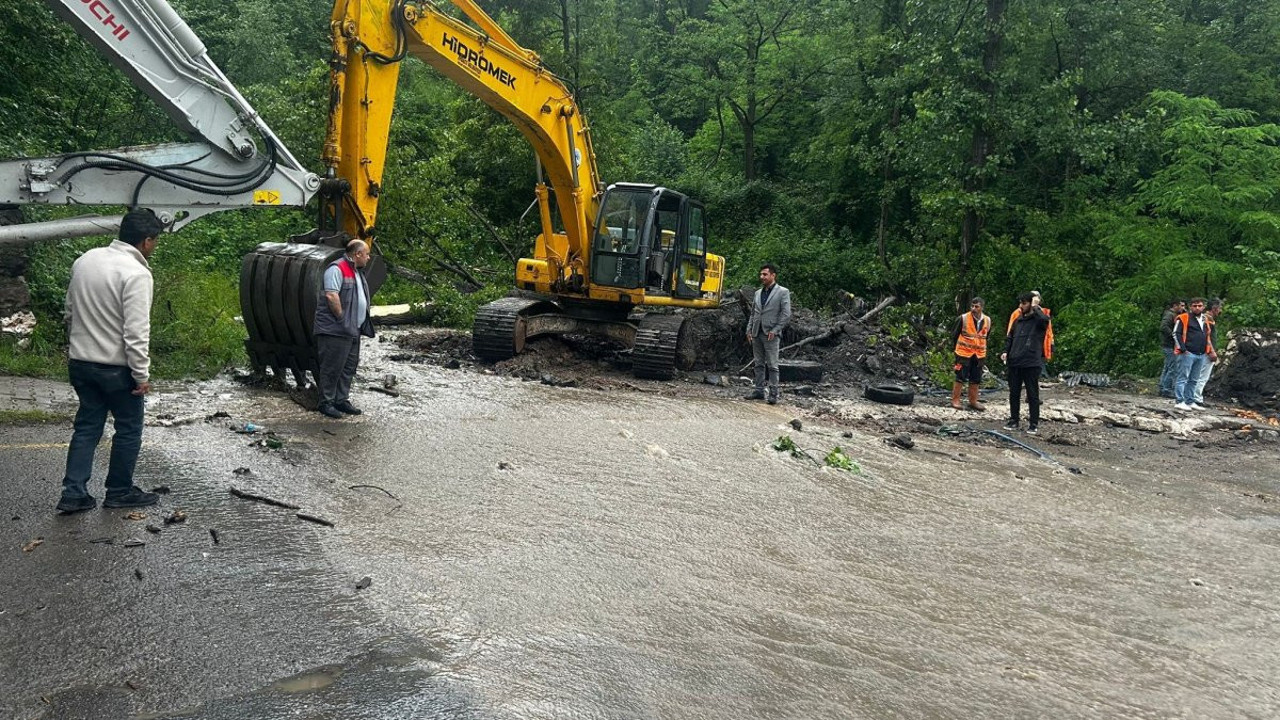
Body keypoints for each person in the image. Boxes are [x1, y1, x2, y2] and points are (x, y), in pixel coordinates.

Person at [56, 208, 167, 514]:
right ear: (146, 241)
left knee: (87, 427)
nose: (154, 247)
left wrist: (78, 345)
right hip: (116, 368)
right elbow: (136, 331)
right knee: (129, 428)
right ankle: (119, 491)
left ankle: (73, 493)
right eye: (154, 241)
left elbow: (69, 311)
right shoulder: (137, 274)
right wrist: (141, 375)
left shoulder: (86, 259)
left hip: (80, 362)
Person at [313, 239, 375, 419]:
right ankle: (326, 403)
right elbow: (332, 295)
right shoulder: (336, 269)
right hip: (336, 329)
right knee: (332, 367)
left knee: (348, 367)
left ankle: (341, 400)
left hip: (352, 329)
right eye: (367, 254)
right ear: (357, 254)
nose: (369, 257)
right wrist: (342, 319)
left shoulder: (356, 271)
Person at [1001, 291, 1051, 434]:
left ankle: (1033, 424)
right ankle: (1014, 420)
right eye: (1020, 303)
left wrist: (1035, 307)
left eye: (1024, 303)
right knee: (1014, 393)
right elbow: (1010, 338)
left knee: (1032, 394)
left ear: (1030, 303)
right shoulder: (1018, 321)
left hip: (1031, 363)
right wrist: (1005, 351)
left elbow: (1044, 321)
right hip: (1015, 362)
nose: (1021, 306)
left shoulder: (1038, 321)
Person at [744, 263, 791, 405]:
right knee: (758, 363)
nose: (762, 277)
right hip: (757, 332)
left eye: (765, 274)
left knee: (772, 365)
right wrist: (749, 329)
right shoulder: (758, 293)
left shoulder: (783, 292)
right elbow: (753, 313)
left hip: (771, 333)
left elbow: (786, 314)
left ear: (773, 275)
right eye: (761, 274)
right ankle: (758, 391)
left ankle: (773, 393)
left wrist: (776, 330)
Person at [1172, 297, 1215, 411]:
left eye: (1199, 306)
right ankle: (1180, 400)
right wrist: (1182, 349)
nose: (1197, 308)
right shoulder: (1183, 318)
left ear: (1203, 307)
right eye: (1194, 306)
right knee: (1183, 377)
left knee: (1194, 379)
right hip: (1187, 352)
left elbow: (1207, 335)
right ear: (1190, 307)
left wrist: (1209, 350)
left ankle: (1190, 401)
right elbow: (1176, 333)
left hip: (1201, 353)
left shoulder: (1205, 320)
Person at [949, 297, 991, 411]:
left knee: (976, 377)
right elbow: (954, 335)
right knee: (960, 376)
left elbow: (986, 336)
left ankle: (973, 401)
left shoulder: (987, 320)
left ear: (982, 307)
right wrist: (955, 351)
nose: (973, 309)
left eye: (976, 306)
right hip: (963, 353)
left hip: (979, 354)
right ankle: (955, 400)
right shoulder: (963, 318)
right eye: (972, 306)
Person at [1006, 289, 1054, 371]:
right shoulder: (1018, 313)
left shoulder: (1043, 313)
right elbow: (1011, 332)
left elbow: (1049, 331)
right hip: (1020, 352)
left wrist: (1051, 346)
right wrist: (1007, 350)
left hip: (1038, 350)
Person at [1189, 298, 1223, 408]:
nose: (1220, 311)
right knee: (1202, 375)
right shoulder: (1207, 319)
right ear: (1215, 308)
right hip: (1206, 351)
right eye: (1219, 308)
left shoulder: (1205, 318)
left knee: (1198, 374)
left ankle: (1194, 396)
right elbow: (1207, 336)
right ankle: (1196, 397)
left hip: (1203, 350)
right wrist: (1211, 350)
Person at [1158, 298, 1185, 398]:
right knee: (1172, 367)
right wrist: (1174, 336)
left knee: (1167, 367)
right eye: (1181, 306)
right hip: (1169, 345)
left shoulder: (1174, 315)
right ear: (1175, 306)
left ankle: (1162, 387)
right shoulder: (1170, 315)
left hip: (1169, 344)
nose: (1183, 308)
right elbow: (1163, 327)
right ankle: (1167, 389)